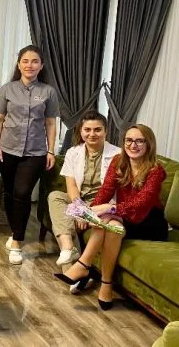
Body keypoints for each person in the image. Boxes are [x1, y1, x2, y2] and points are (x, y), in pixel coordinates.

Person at [55, 125, 167, 310]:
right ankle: (106, 284)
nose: (133, 145)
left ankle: (83, 265)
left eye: (140, 141)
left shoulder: (156, 170)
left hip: (149, 222)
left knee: (108, 217)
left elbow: (141, 203)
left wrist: (110, 208)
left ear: (149, 144)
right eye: (129, 140)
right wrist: (91, 212)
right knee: (111, 226)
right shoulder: (118, 161)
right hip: (124, 216)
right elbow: (105, 191)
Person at [0, 45, 59, 265]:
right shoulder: (7, 89)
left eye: (35, 61)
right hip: (8, 149)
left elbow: (50, 123)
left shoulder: (48, 92)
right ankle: (15, 231)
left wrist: (51, 150)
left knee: (22, 192)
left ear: (41, 66)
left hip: (35, 152)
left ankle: (17, 241)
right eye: (25, 61)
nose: (30, 65)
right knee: (10, 193)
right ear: (19, 64)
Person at [47, 111, 119, 267]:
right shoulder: (73, 152)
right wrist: (79, 208)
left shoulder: (118, 154)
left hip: (102, 204)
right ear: (81, 131)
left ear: (105, 131)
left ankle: (71, 272)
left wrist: (85, 213)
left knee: (62, 222)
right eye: (87, 130)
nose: (92, 134)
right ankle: (68, 248)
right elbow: (71, 185)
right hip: (79, 199)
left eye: (97, 130)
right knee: (55, 196)